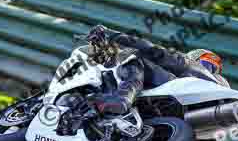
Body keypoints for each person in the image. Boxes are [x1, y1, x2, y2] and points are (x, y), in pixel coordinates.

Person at [84, 24, 227, 116]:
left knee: (136, 57)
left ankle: (122, 98)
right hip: (185, 116)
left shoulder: (189, 65)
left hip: (177, 98)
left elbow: (150, 48)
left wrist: (110, 34)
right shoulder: (223, 91)